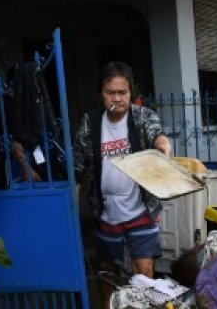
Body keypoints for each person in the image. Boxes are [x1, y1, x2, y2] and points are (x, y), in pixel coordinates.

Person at [73, 61, 172, 279]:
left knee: (145, 272)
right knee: (107, 272)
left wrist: (162, 143)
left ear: (130, 91)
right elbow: (77, 169)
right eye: (110, 93)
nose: (117, 98)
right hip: (106, 213)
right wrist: (72, 213)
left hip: (140, 209)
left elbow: (156, 133)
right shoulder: (91, 123)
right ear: (101, 93)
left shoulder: (142, 117)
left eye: (122, 92)